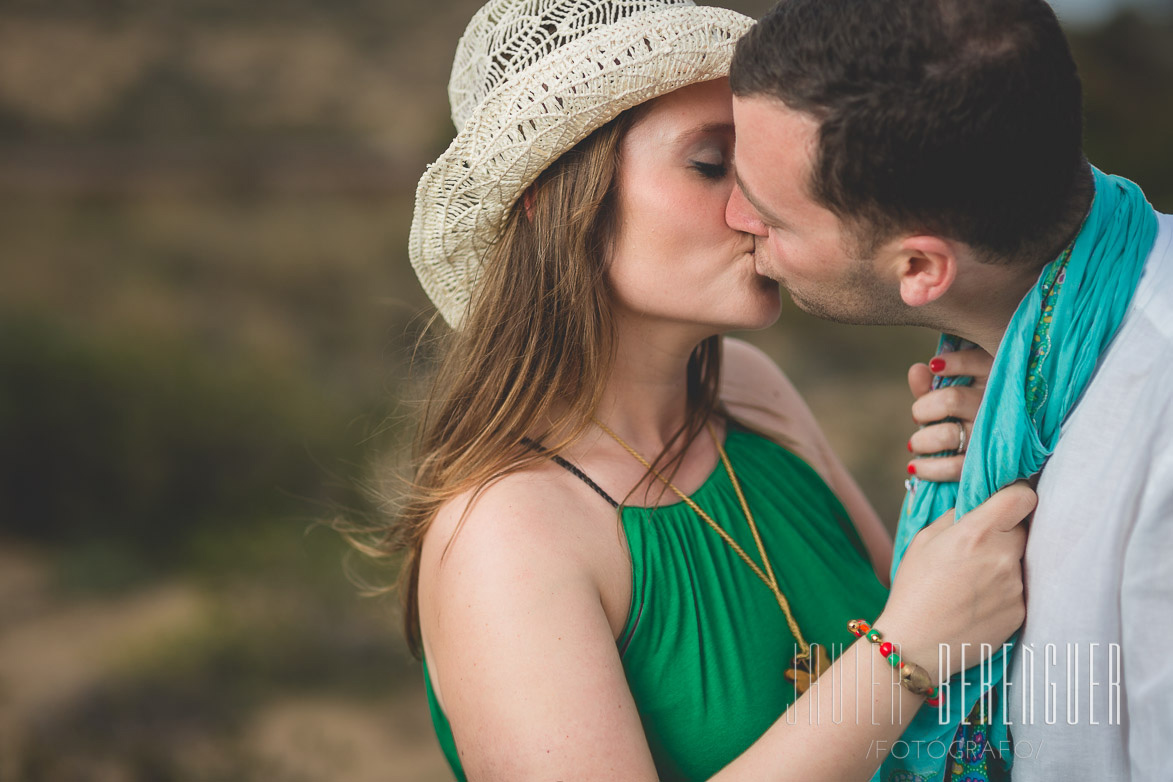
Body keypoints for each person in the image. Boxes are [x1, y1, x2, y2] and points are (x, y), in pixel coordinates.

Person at [391, 0, 1037, 779]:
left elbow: (927, 617)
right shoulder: (506, 533)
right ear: (556, 204)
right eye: (710, 163)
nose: (759, 203)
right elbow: (912, 632)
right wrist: (902, 653)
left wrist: (987, 458)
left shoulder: (748, 390)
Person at [725, 1, 1173, 780]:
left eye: (769, 214)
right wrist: (1023, 427)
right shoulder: (1030, 388)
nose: (735, 218)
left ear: (920, 270)